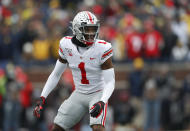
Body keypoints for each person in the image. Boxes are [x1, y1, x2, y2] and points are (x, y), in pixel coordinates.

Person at [33, 11, 115, 131]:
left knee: (97, 127)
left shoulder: (102, 48)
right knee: (57, 128)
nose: (92, 33)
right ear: (77, 29)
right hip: (79, 93)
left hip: (98, 93)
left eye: (93, 29)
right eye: (88, 29)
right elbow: (56, 74)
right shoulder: (66, 45)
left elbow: (110, 82)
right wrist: (42, 97)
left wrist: (102, 101)